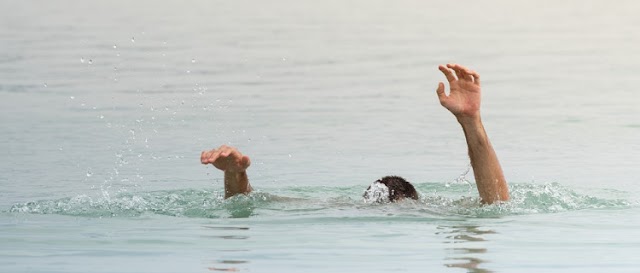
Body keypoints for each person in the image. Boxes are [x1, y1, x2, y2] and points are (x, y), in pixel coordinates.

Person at [200, 64, 510, 204]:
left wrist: (235, 177)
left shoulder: (335, 205)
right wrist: (472, 123)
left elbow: (248, 203)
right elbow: (497, 204)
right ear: (412, 203)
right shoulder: (430, 212)